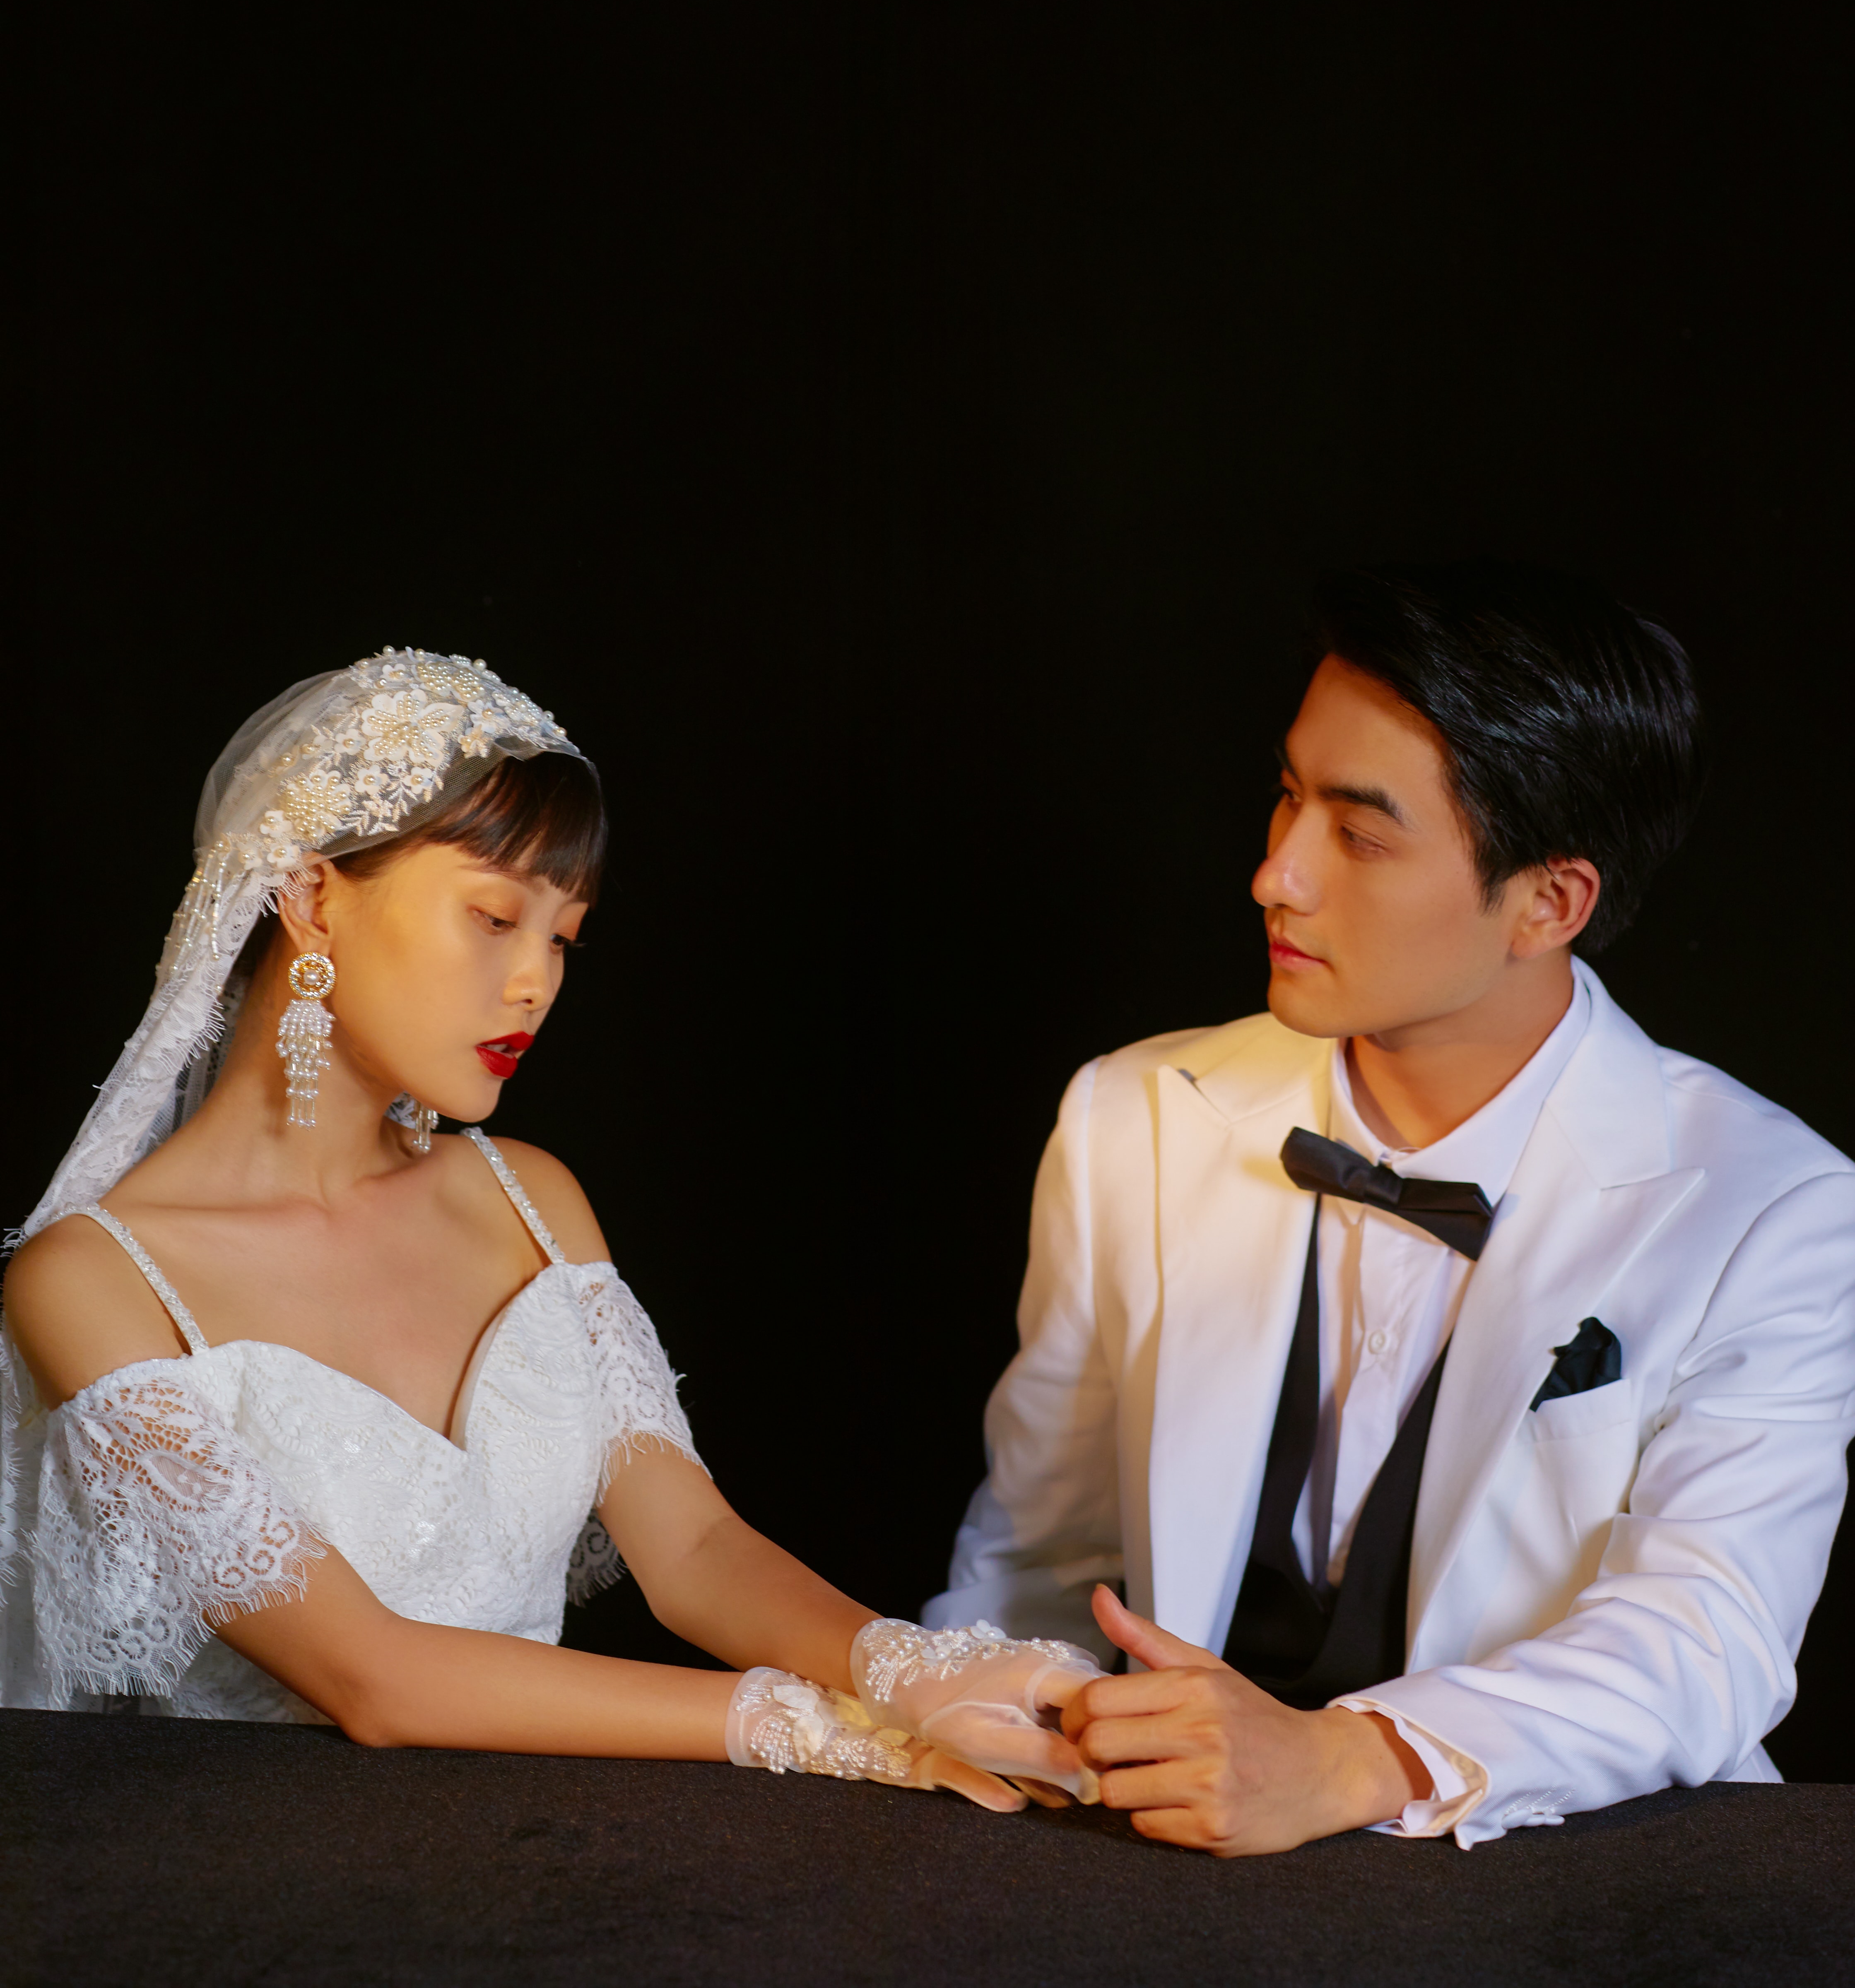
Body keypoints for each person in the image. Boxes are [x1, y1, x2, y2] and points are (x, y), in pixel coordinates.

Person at [2, 648, 1100, 1802]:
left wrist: (916, 1669)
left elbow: (692, 1551)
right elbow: (372, 1677)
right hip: (256, 1870)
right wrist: (823, 1728)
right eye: (495, 918)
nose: (537, 982)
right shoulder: (94, 1280)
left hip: (548, 1855)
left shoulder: (530, 1201)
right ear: (312, 896)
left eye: (564, 937)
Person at [925, 561, 1855, 1853]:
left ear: (1550, 902)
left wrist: (1346, 1762)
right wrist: (999, 1762)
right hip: (1165, 1871)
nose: (1278, 875)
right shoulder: (1131, 1115)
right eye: (1287, 796)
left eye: (1360, 836)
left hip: (1585, 1877)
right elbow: (1036, 1560)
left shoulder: (1779, 1208)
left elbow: (1709, 1635)